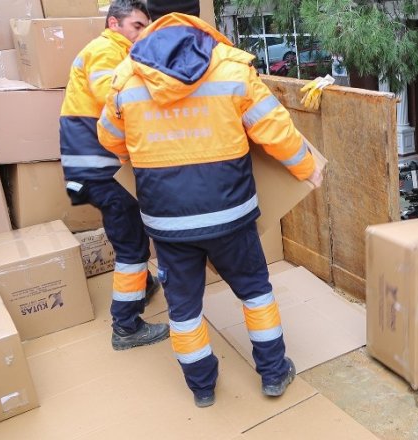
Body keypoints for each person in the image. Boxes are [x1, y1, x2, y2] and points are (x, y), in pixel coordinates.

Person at [97, 0, 324, 408]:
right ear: (196, 19)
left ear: (153, 20)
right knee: (255, 293)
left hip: (167, 222)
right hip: (231, 216)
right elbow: (274, 128)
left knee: (183, 310)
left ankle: (202, 388)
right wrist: (307, 168)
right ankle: (273, 374)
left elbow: (109, 141)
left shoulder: (125, 77)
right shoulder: (232, 67)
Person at [59, 0, 169, 351]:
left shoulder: (115, 51)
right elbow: (117, 97)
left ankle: (144, 284)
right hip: (102, 171)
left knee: (130, 235)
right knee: (133, 247)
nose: (142, 33)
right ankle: (126, 326)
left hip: (101, 168)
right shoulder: (107, 51)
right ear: (114, 23)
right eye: (137, 26)